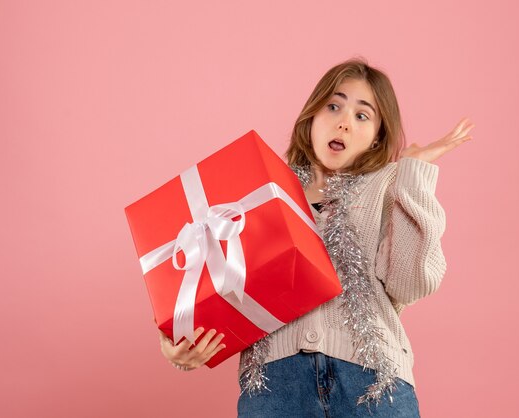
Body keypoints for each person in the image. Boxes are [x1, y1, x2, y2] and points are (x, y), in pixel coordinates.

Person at [158, 58, 474, 417]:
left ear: (376, 138)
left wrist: (414, 173)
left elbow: (411, 283)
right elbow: (205, 277)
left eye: (362, 115)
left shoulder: (389, 186)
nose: (343, 121)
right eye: (334, 105)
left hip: (373, 382)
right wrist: (177, 342)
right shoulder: (257, 194)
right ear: (311, 117)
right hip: (273, 388)